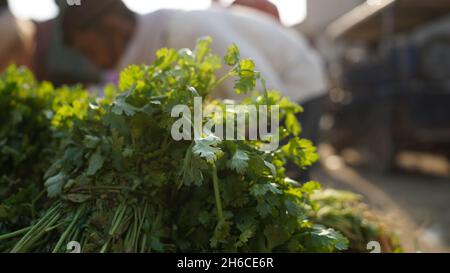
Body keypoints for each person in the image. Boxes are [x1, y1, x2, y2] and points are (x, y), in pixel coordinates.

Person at [61, 0, 327, 105]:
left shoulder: (186, 32)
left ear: (114, 27)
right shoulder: (147, 51)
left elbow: (265, 96)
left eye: (88, 50)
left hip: (299, 87)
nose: (91, 62)